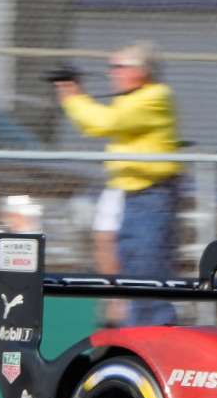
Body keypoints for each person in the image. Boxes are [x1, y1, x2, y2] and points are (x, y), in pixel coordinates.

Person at [55, 41, 180, 326]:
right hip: (133, 196)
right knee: (131, 270)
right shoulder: (131, 98)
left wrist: (74, 98)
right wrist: (73, 97)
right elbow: (94, 125)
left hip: (152, 196)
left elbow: (106, 123)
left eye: (119, 66)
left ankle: (155, 336)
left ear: (141, 71)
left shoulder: (155, 96)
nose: (113, 72)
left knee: (147, 273)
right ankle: (135, 332)